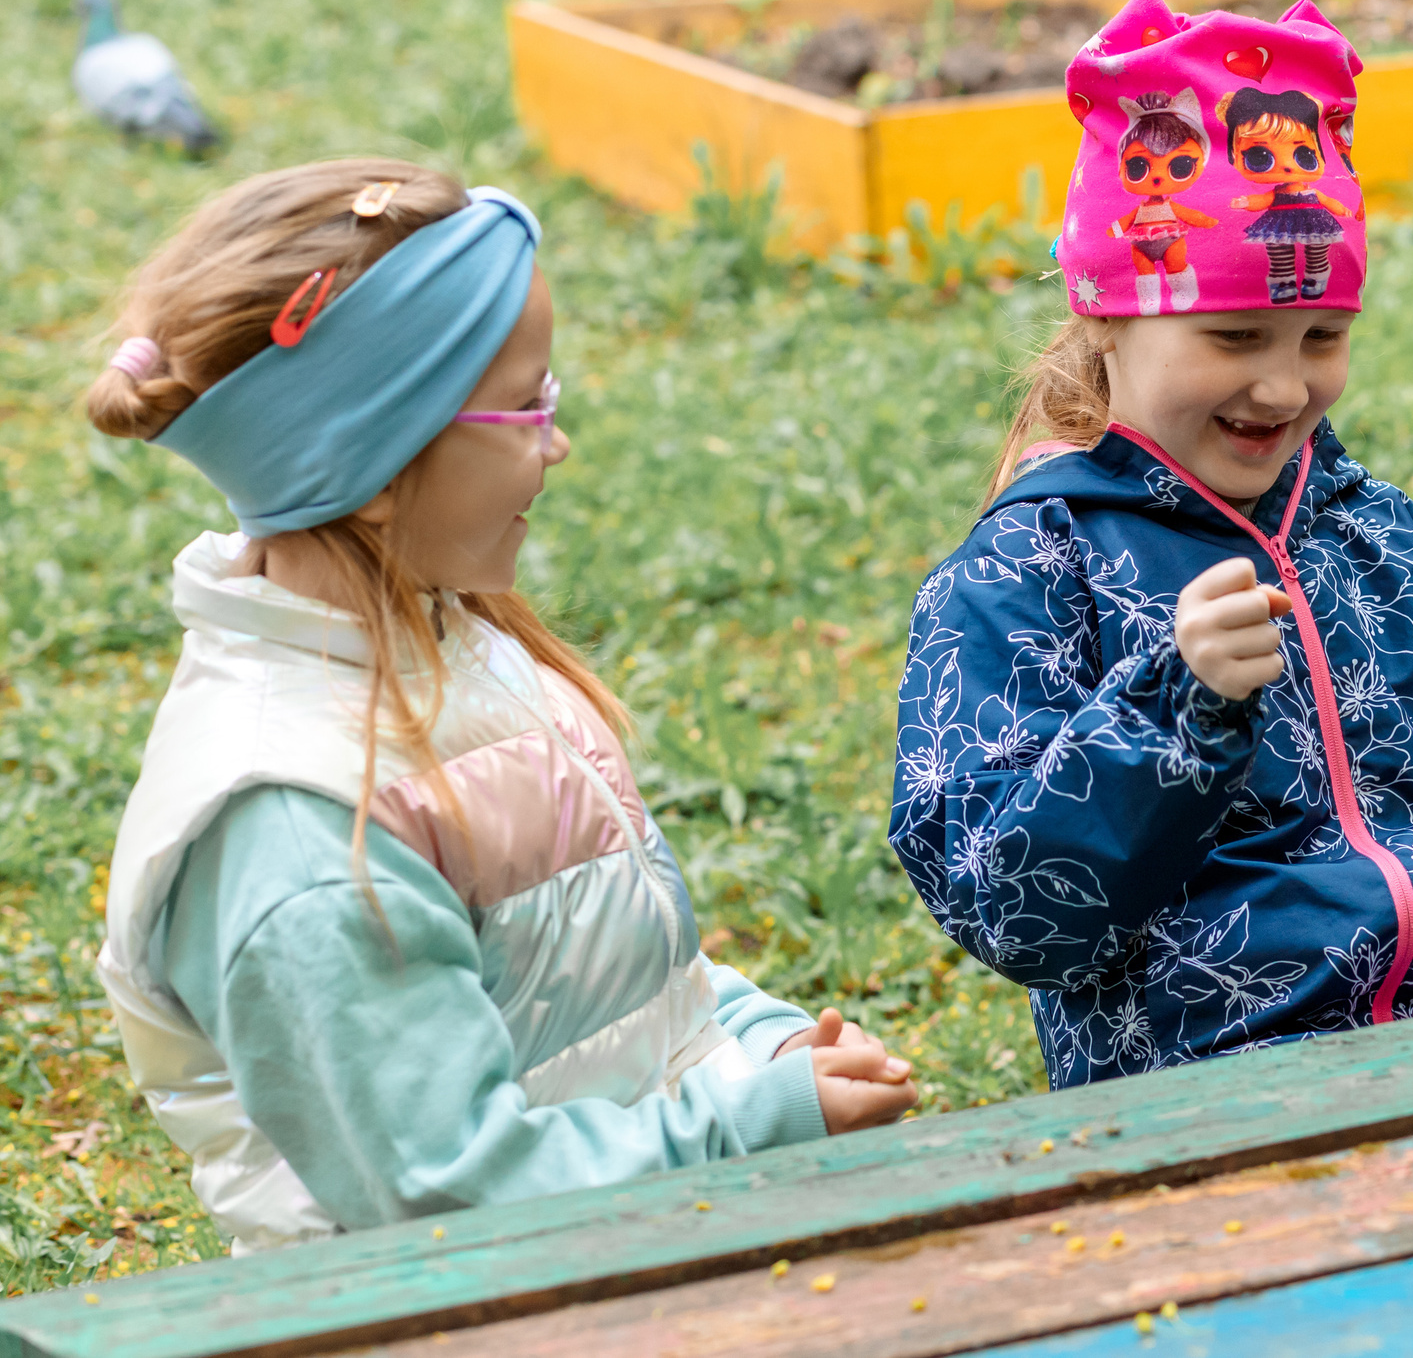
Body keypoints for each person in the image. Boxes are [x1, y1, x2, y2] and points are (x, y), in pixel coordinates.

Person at [88, 161, 913, 1253]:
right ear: (369, 463)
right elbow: (446, 1199)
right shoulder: (297, 832)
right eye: (527, 404)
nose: (556, 440)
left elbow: (592, 977)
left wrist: (755, 1045)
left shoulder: (446, 643)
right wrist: (748, 1128)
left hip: (626, 1251)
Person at [894, 0, 1413, 1088]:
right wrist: (1173, 711)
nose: (1284, 382)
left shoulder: (1388, 543)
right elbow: (1011, 912)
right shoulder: (1026, 571)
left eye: (1324, 337)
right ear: (1107, 316)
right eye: (1234, 334)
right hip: (1217, 1102)